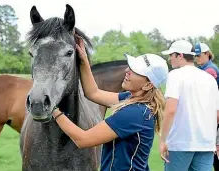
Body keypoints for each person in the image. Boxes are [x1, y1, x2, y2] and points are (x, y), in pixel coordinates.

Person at [52, 35, 169, 171]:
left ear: (148, 85)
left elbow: (83, 139)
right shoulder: (131, 100)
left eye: (135, 71)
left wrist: (54, 111)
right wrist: (83, 60)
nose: (127, 71)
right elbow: (93, 93)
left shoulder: (135, 113)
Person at [159, 40, 219, 171]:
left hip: (180, 143)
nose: (169, 59)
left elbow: (170, 110)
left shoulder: (175, 75)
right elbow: (216, 114)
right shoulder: (209, 79)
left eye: (171, 55)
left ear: (180, 55)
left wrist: (163, 140)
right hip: (206, 144)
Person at [194, 42, 219, 170]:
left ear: (207, 54)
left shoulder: (210, 70)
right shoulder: (202, 69)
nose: (197, 58)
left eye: (199, 55)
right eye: (195, 56)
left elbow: (206, 95)